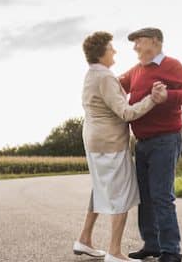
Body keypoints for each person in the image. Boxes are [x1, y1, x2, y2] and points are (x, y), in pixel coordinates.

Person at [73, 31, 168, 262]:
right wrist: (152, 99)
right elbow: (126, 112)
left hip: (95, 142)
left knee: (100, 188)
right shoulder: (105, 77)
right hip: (110, 145)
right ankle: (114, 252)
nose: (114, 51)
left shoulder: (92, 74)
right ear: (101, 53)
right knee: (121, 195)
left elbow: (114, 94)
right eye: (111, 48)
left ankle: (84, 239)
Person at [120, 28, 182, 262]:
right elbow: (115, 84)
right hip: (142, 142)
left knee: (161, 195)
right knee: (144, 196)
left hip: (165, 139)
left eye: (138, 42)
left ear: (155, 42)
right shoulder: (137, 70)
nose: (134, 47)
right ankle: (152, 244)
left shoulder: (172, 65)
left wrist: (169, 97)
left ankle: (171, 250)